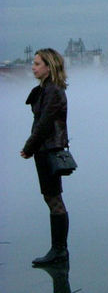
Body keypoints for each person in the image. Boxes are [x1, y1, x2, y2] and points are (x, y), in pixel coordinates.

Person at [20, 48, 71, 266]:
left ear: (49, 67)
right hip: (45, 149)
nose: (33, 67)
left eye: (37, 63)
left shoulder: (53, 91)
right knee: (51, 197)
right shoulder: (47, 89)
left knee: (53, 198)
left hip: (48, 149)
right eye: (34, 63)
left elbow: (44, 123)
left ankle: (59, 251)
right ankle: (58, 250)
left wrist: (28, 147)